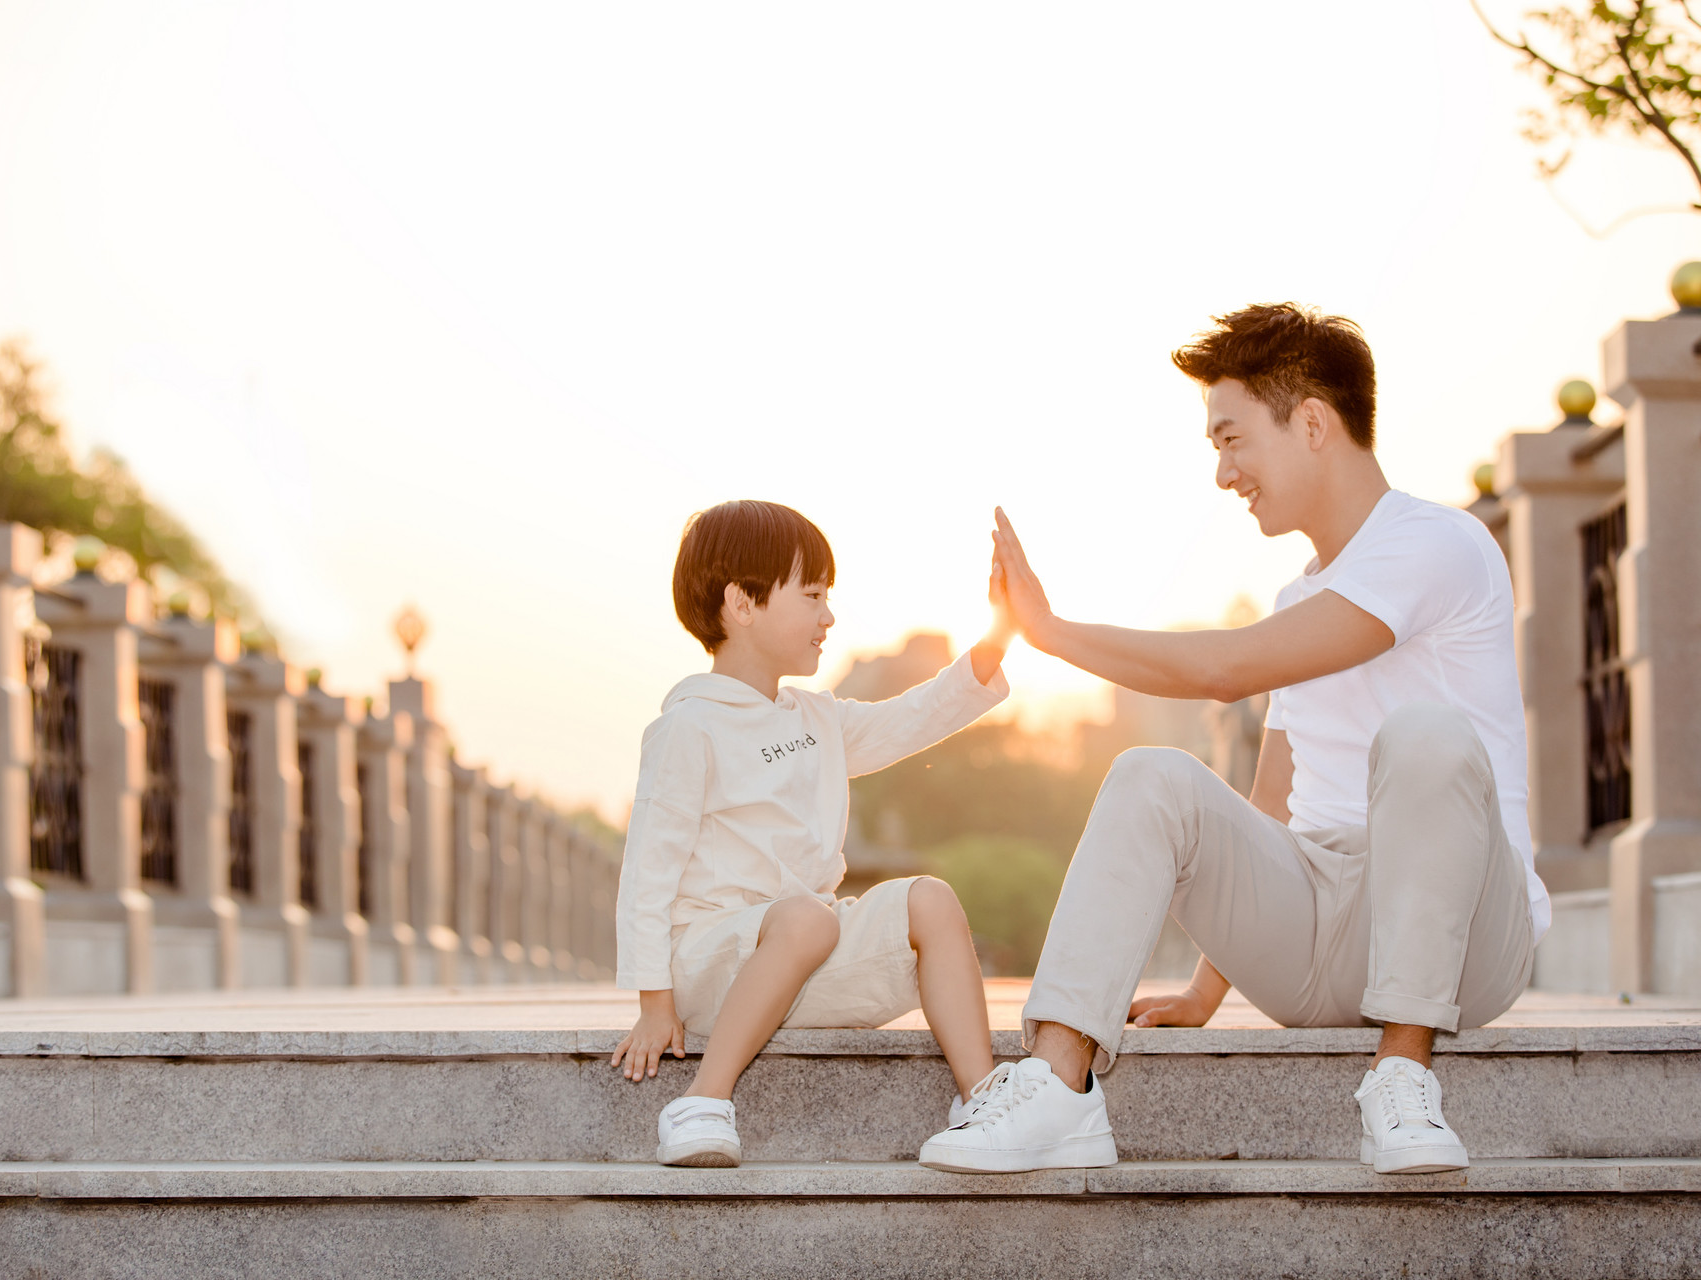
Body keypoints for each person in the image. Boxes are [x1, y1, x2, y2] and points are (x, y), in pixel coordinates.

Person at [919, 303, 1544, 1176]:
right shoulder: (1299, 603)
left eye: (1232, 438)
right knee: (1152, 775)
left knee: (1425, 737)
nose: (1221, 473)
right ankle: (1060, 1084)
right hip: (1321, 944)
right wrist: (1206, 991)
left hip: (1467, 938)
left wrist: (1052, 632)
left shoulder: (1439, 545)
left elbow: (1227, 669)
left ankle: (1403, 1076)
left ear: (1314, 422)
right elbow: (1272, 803)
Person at [610, 499, 1014, 1167]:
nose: (829, 617)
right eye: (813, 596)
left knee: (929, 900)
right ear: (743, 604)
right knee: (806, 919)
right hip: (712, 963)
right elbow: (647, 872)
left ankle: (984, 1106)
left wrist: (1000, 634)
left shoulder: (816, 720)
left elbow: (913, 718)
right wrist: (655, 1004)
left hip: (806, 952)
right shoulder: (690, 726)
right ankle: (703, 1103)